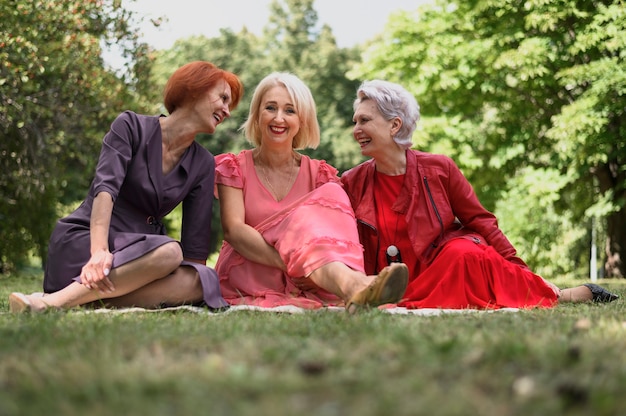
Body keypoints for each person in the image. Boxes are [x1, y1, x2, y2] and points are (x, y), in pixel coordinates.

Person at [341, 79, 619, 309]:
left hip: (440, 270)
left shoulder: (439, 168)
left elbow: (481, 221)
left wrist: (517, 266)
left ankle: (556, 293)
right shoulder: (352, 181)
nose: (356, 130)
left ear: (394, 125)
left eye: (364, 120)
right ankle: (561, 293)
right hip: (383, 280)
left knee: (464, 252)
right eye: (355, 122)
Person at [9, 61, 244, 313]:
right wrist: (99, 251)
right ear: (195, 89)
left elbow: (195, 248)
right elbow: (104, 189)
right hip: (87, 243)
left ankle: (79, 298)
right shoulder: (130, 126)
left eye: (229, 104)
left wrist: (187, 280)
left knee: (202, 280)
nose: (227, 110)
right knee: (170, 252)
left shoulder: (203, 163)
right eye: (222, 98)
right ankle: (51, 303)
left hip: (142, 258)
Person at [214, 72, 408, 311]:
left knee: (333, 193)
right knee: (304, 219)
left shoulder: (320, 175)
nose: (279, 118)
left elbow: (334, 239)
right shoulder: (233, 167)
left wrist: (311, 263)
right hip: (251, 269)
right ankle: (355, 286)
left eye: (290, 110)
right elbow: (234, 231)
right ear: (256, 115)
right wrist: (298, 262)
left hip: (312, 275)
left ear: (302, 120)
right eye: (270, 108)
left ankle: (355, 284)